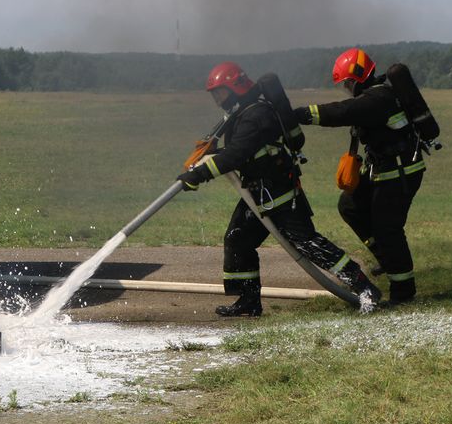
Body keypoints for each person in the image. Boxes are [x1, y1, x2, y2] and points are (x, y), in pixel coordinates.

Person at [177, 61, 381, 317]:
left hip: (280, 194)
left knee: (309, 244)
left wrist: (199, 175)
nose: (217, 99)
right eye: (214, 94)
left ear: (235, 87)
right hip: (257, 193)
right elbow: (239, 150)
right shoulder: (241, 113)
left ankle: (365, 288)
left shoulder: (256, 114)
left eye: (220, 92)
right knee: (238, 239)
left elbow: (237, 154)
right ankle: (249, 301)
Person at [293, 48, 424, 305]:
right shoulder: (374, 96)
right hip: (383, 169)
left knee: (387, 229)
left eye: (347, 83)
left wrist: (299, 114)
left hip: (400, 172)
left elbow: (342, 112)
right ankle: (387, 258)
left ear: (357, 78)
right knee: (350, 205)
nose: (347, 89)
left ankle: (403, 292)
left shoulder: (377, 98)